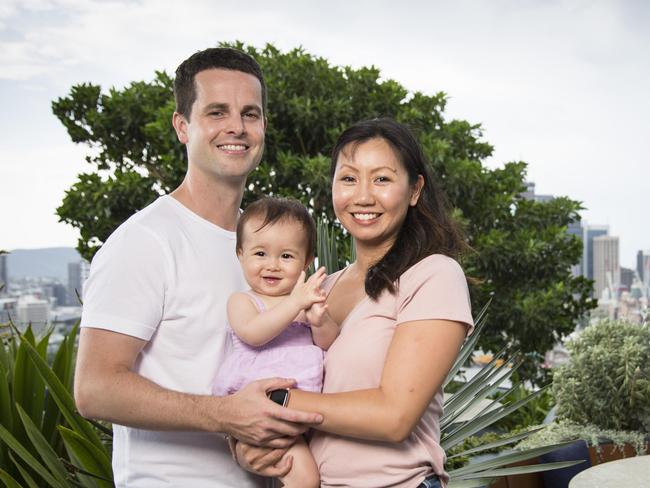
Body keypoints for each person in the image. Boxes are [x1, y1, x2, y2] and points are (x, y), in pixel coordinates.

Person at [73, 47, 322, 488]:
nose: (236, 128)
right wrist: (228, 416)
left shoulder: (263, 247)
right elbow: (94, 389)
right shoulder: (145, 240)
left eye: (250, 113)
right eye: (217, 112)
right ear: (182, 126)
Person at [236, 118, 474, 488]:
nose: (362, 196)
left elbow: (394, 416)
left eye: (381, 179)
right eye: (348, 178)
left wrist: (275, 402)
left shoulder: (433, 276)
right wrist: (244, 444)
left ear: (414, 190)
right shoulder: (317, 289)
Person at [214, 197, 340, 487]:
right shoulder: (243, 301)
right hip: (263, 409)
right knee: (305, 480)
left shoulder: (302, 303)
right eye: (260, 253)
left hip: (301, 408)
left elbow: (328, 343)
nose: (272, 265)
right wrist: (296, 304)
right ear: (240, 254)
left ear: (306, 262)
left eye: (286, 256)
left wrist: (319, 320)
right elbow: (254, 334)